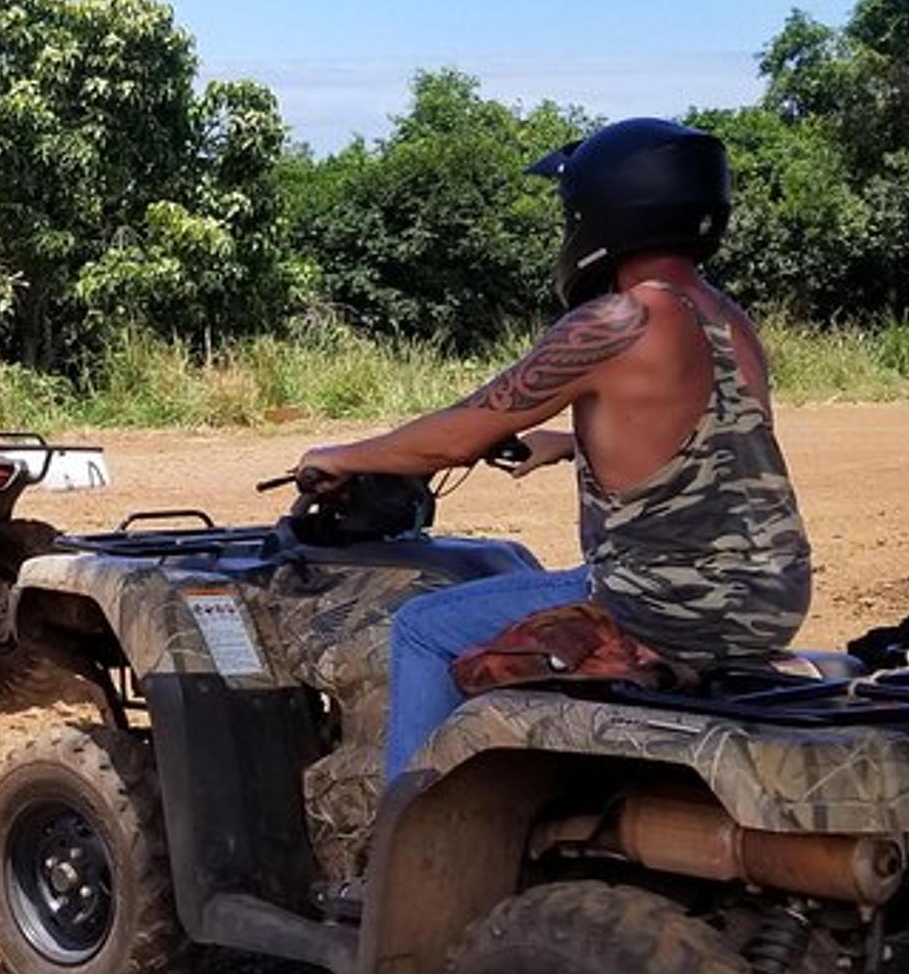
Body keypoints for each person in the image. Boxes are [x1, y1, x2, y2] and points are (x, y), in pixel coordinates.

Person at [287, 119, 812, 780]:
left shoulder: (615, 321)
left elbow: (457, 435)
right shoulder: (726, 315)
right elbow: (719, 441)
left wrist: (342, 455)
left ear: (602, 212)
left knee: (421, 627)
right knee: (514, 579)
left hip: (667, 602)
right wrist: (566, 443)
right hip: (773, 597)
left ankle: (403, 842)